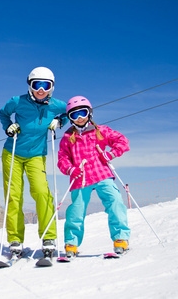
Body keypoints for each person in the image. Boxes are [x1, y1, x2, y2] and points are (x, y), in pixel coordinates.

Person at [0, 67, 68, 258]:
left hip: (36, 155)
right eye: (37, 84)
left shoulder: (56, 105)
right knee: (14, 195)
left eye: (46, 85)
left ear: (52, 87)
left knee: (41, 191)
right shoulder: (17, 102)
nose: (41, 89)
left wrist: (61, 121)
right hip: (12, 152)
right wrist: (8, 126)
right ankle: (15, 239)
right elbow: (3, 113)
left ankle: (48, 236)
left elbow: (74, 110)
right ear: (30, 85)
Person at [57, 95, 131, 257]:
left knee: (115, 202)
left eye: (83, 113)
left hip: (102, 174)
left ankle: (120, 239)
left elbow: (123, 142)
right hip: (80, 179)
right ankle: (72, 243)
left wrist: (110, 154)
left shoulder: (100, 131)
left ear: (90, 113)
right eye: (74, 115)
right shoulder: (68, 137)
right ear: (70, 118)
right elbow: (62, 159)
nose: (80, 118)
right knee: (75, 212)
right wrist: (70, 169)